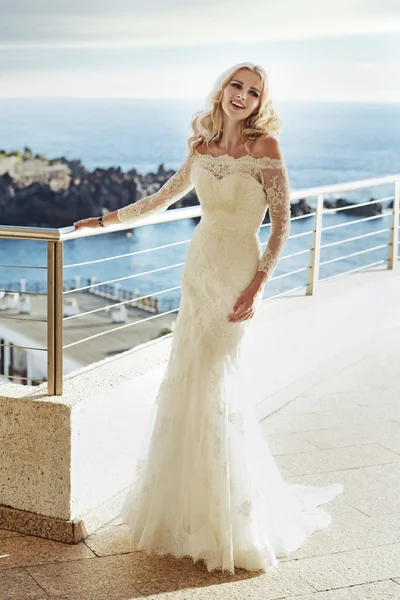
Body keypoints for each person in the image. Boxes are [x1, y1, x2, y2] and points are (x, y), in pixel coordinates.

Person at [73, 62, 343, 574]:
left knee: (220, 379)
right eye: (237, 86)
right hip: (197, 271)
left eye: (253, 91)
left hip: (238, 274)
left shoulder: (266, 149)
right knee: (188, 378)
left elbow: (283, 224)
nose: (242, 95)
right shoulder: (199, 146)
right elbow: (161, 198)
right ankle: (187, 512)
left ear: (262, 102)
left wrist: (259, 281)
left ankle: (231, 515)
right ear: (222, 90)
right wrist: (104, 221)